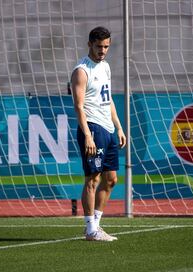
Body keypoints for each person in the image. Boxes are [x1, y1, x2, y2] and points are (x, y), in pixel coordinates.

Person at [71, 26, 126, 241]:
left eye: (106, 47)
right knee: (92, 179)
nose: (102, 50)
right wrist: (87, 135)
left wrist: (119, 127)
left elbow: (108, 99)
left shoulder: (105, 67)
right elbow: (78, 105)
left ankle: (96, 226)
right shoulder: (81, 71)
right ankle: (90, 228)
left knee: (111, 179)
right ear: (89, 45)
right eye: (99, 46)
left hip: (109, 129)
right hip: (92, 128)